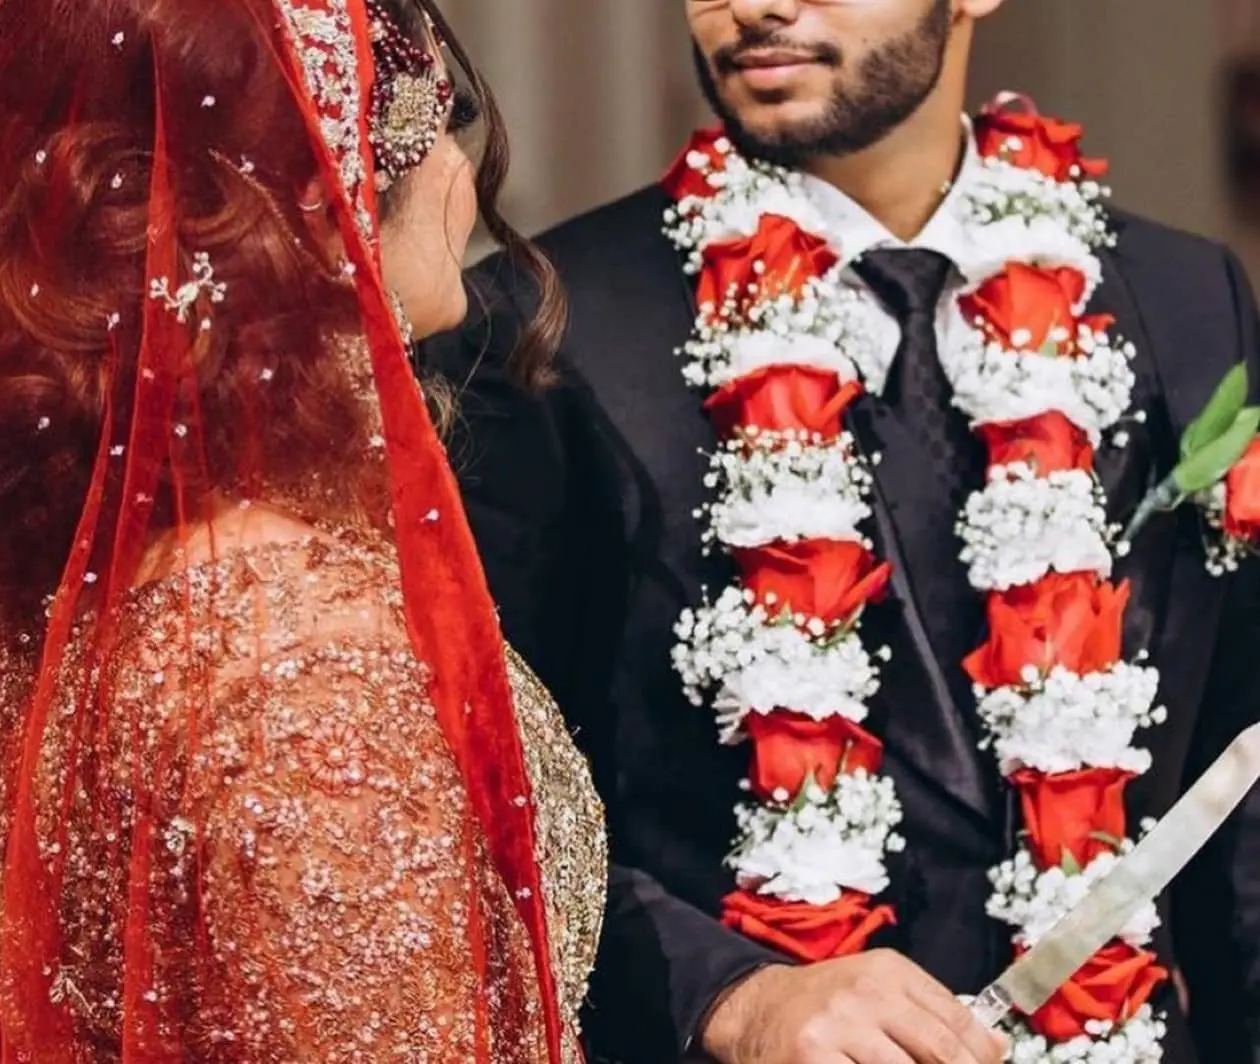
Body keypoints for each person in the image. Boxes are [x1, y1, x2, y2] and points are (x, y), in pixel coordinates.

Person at [426, 1, 1260, 1063]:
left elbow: (1240, 767)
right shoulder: (541, 329)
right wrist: (730, 995)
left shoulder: (1185, 302)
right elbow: (479, 795)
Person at [0, 0, 604, 1061]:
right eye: (437, 129)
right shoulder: (311, 675)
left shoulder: (101, 579)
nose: (463, 174)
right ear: (330, 204)